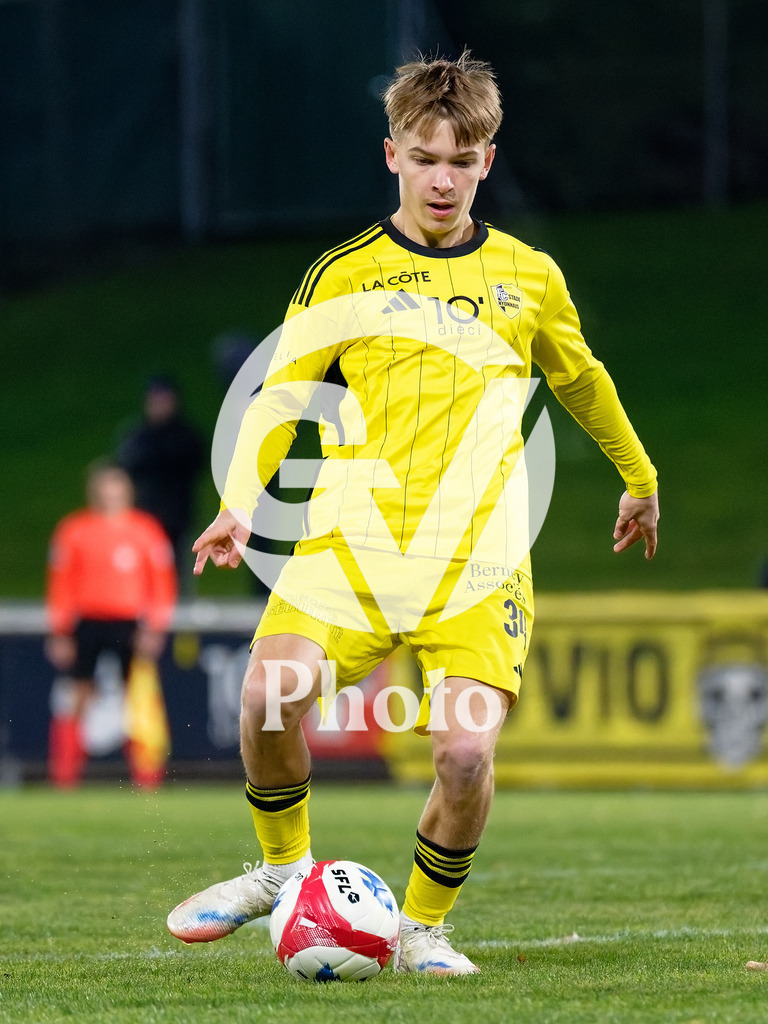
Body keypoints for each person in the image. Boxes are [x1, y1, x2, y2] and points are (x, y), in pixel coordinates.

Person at [166, 52, 659, 974]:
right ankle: (285, 873)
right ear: (391, 154)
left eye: (461, 159)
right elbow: (281, 395)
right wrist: (239, 505)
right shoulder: (344, 275)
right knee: (267, 693)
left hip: (479, 558)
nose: (443, 177)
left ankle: (423, 926)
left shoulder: (529, 278)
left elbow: (580, 380)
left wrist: (639, 476)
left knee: (466, 753)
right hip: (353, 544)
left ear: (488, 161)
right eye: (426, 156)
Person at [45, 462, 177, 787]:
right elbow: (60, 584)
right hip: (87, 622)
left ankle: (147, 776)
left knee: (139, 696)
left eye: (116, 486)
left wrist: (156, 626)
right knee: (78, 694)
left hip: (130, 624)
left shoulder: (145, 530)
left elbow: (162, 583)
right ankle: (65, 776)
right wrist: (60, 630)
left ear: (127, 490)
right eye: (104, 486)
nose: (110, 493)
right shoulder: (74, 530)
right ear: (95, 491)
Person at [116, 376, 205, 584]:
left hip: (178, 519)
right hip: (142, 518)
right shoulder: (136, 435)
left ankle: (177, 612)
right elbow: (125, 466)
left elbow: (195, 464)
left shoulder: (186, 436)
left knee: (177, 574)